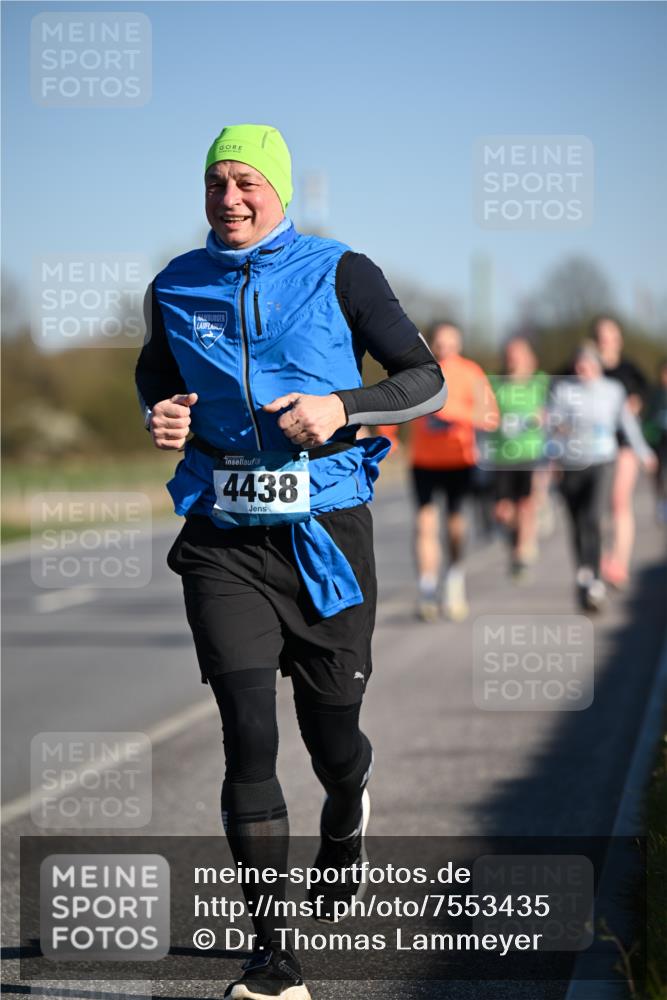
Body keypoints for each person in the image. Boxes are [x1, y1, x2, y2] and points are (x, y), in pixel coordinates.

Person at [135, 123, 445, 1000]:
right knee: (248, 734)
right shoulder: (174, 284)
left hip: (325, 532)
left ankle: (346, 816)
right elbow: (154, 375)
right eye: (214, 184)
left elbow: (424, 379)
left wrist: (342, 406)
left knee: (332, 737)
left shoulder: (342, 270)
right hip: (222, 534)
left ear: (278, 191)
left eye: (246, 183)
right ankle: (271, 956)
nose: (229, 198)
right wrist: (164, 414)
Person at [382, 321, 497, 622]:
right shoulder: (418, 370)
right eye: (439, 342)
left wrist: (451, 411)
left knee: (455, 527)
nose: (444, 347)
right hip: (424, 462)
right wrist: (389, 435)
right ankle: (427, 590)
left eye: (450, 342)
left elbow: (490, 417)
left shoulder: (471, 372)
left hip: (460, 461)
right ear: (431, 343)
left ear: (458, 344)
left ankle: (454, 579)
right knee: (424, 524)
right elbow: (396, 401)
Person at [547, 342, 655, 612]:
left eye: (588, 364)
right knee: (575, 522)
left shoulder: (613, 390)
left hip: (602, 460)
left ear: (597, 365)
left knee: (593, 518)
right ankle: (584, 571)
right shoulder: (563, 390)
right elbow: (551, 424)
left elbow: (627, 424)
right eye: (578, 364)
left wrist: (644, 452)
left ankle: (594, 577)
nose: (582, 369)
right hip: (570, 462)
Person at [590, 315, 649, 588]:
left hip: (624, 444)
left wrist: (636, 405)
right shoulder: (585, 366)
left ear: (619, 339)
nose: (606, 341)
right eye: (601, 335)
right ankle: (601, 557)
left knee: (619, 501)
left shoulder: (630, 370)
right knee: (597, 505)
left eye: (611, 335)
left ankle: (619, 563)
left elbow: (644, 397)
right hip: (594, 446)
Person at [485, 336, 549, 581]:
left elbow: (553, 410)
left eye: (519, 354)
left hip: (531, 453)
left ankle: (521, 554)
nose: (513, 359)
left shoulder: (540, 382)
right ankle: (516, 540)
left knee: (526, 503)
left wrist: (542, 417)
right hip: (501, 454)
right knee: (503, 511)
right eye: (510, 354)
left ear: (529, 357)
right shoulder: (494, 382)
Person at [643, 358, 667, 523]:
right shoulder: (654, 393)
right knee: (659, 475)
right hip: (658, 440)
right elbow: (647, 417)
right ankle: (661, 503)